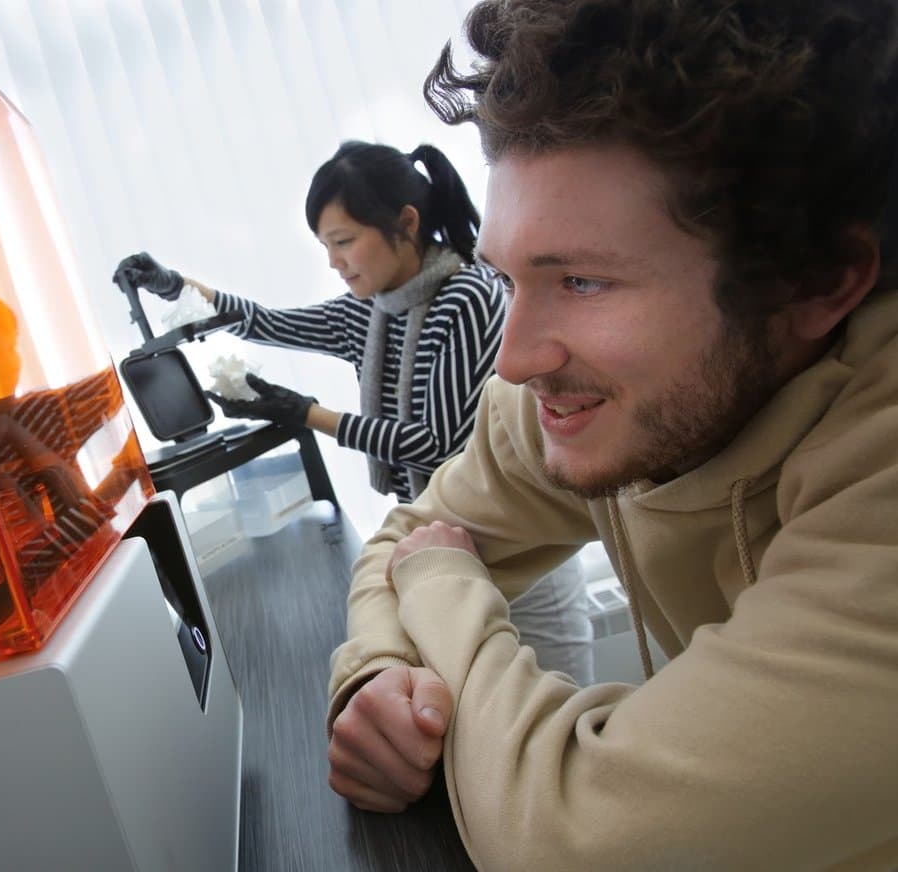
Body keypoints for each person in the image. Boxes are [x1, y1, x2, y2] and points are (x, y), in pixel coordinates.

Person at [324, 0, 898, 868]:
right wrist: (377, 677)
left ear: (817, 284)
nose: (513, 360)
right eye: (511, 278)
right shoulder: (589, 396)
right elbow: (400, 538)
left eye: (584, 281)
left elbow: (568, 840)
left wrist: (444, 586)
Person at [114, 141, 595, 685]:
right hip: (449, 548)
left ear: (405, 224)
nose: (334, 262)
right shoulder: (370, 312)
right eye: (325, 246)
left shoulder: (466, 297)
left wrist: (307, 413)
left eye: (344, 242)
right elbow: (268, 323)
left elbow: (436, 443)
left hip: (521, 551)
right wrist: (173, 285)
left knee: (559, 735)